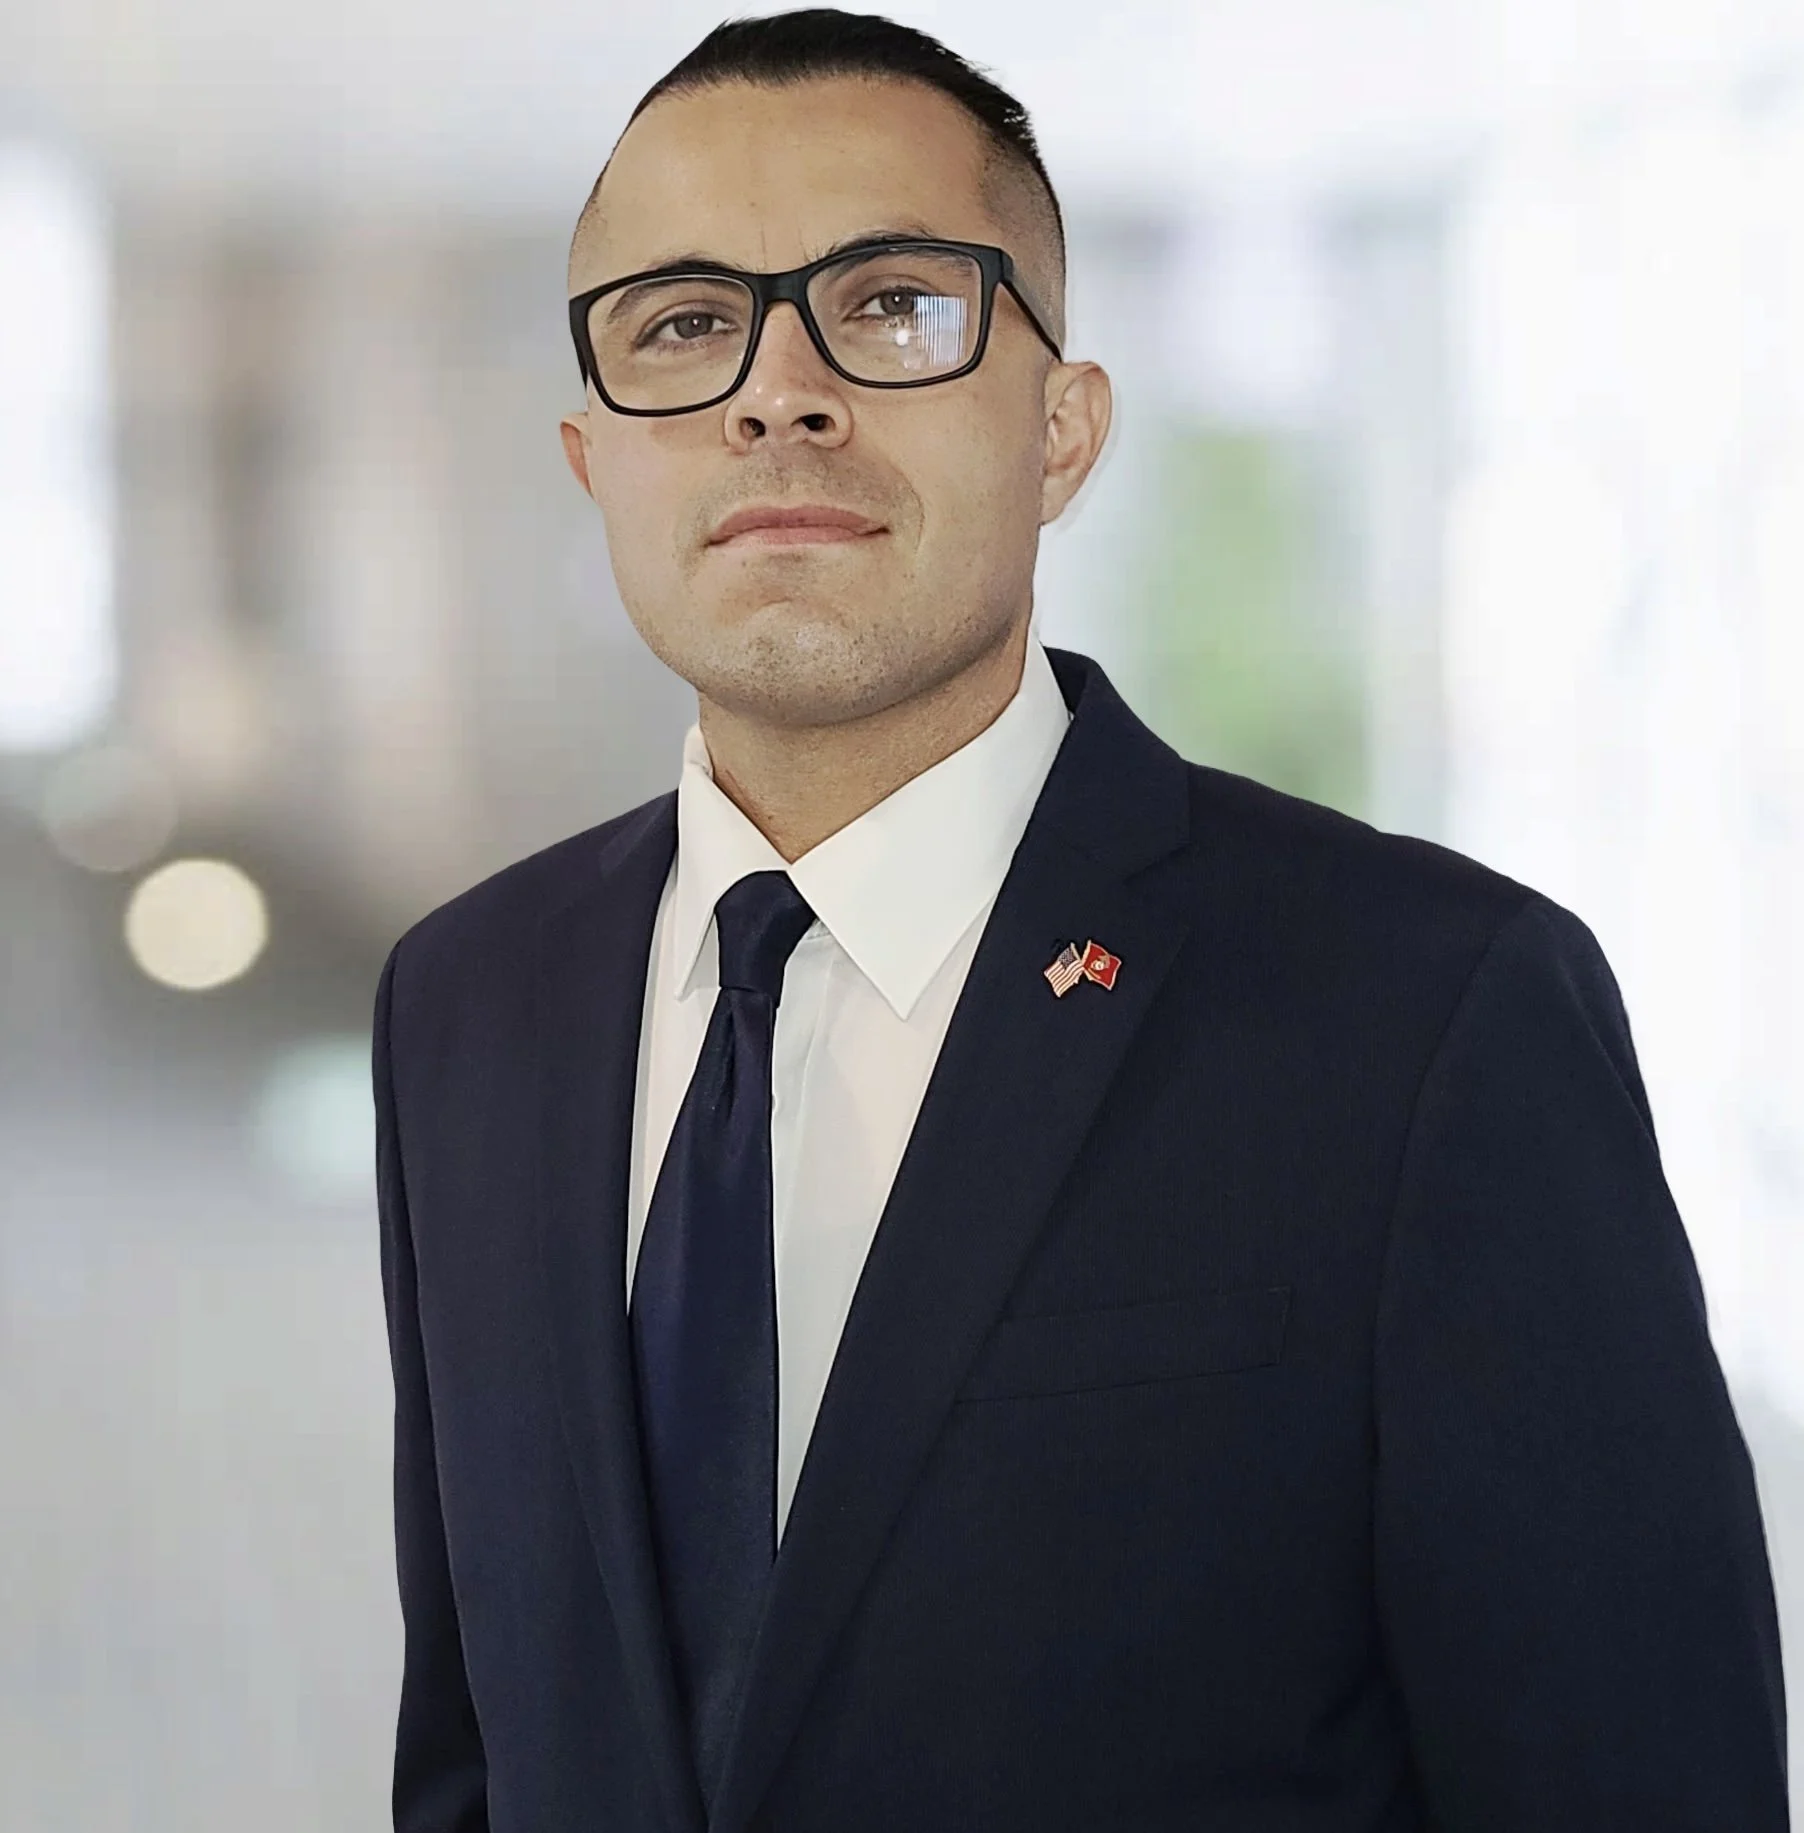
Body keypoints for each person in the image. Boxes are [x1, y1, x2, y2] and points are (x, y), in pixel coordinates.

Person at [370, 11, 1789, 1831]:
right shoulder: (474, 1002)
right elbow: (475, 1755)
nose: (772, 391)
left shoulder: (1435, 1019)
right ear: (594, 461)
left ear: (1061, 429)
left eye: (889, 305)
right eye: (682, 325)